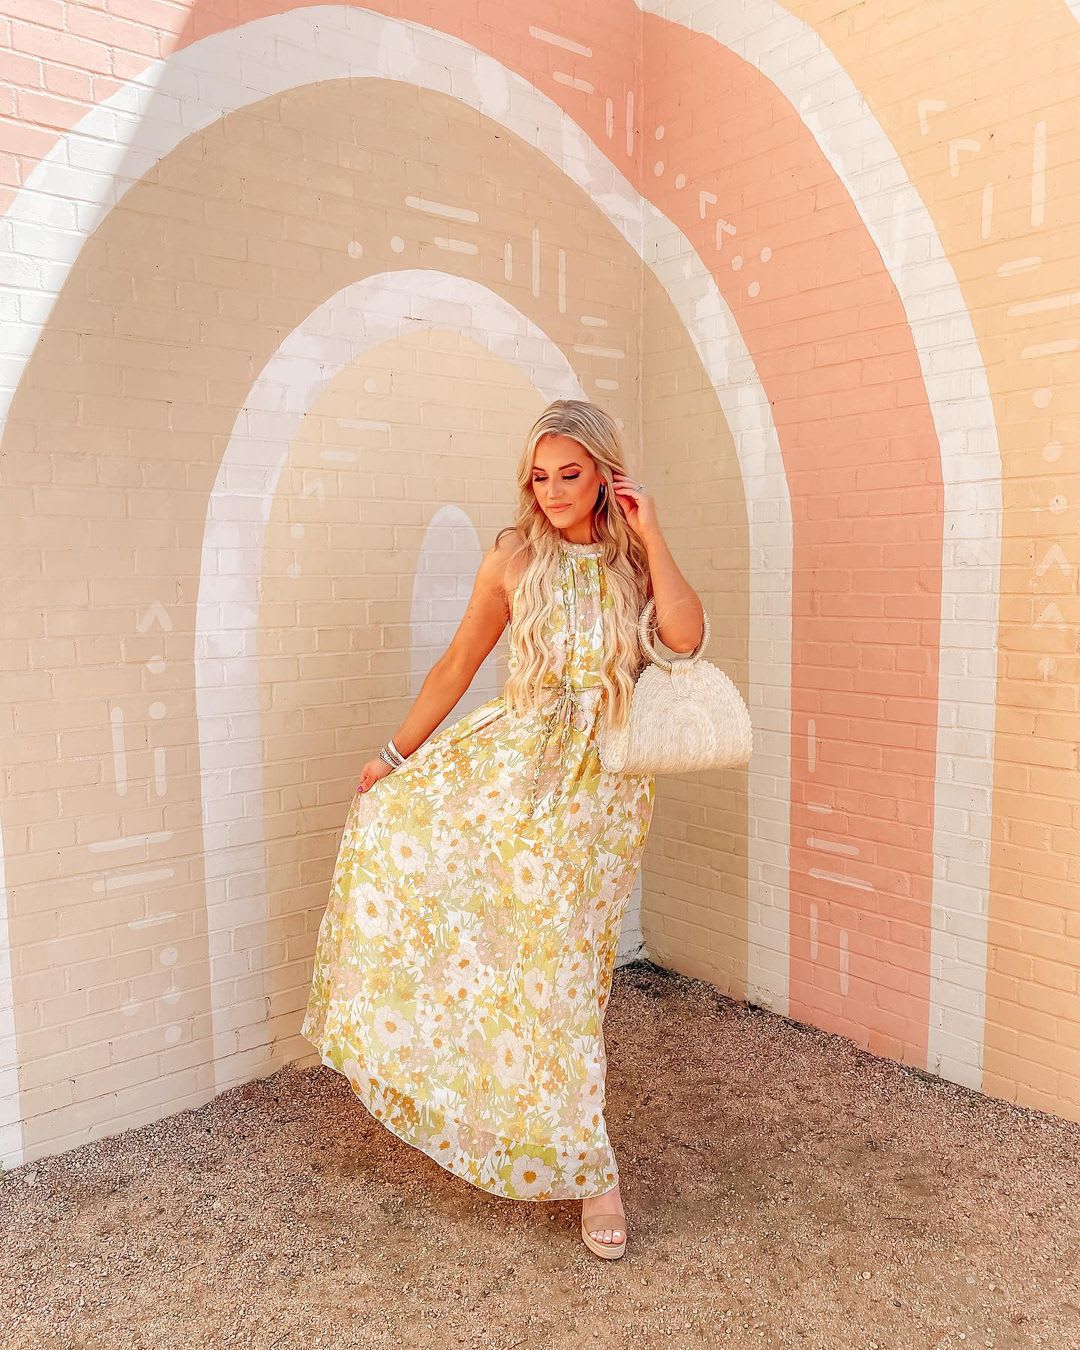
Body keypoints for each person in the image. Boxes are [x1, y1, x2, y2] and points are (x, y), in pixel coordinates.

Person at [301, 399, 705, 1259]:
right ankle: (592, 1172)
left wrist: (653, 532)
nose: (553, 491)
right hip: (516, 778)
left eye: (571, 473)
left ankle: (565, 1147)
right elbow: (458, 665)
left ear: (605, 473)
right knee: (534, 970)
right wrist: (392, 759)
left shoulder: (635, 560)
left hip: (602, 797)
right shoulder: (514, 557)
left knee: (567, 972)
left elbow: (685, 637)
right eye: (540, 475)